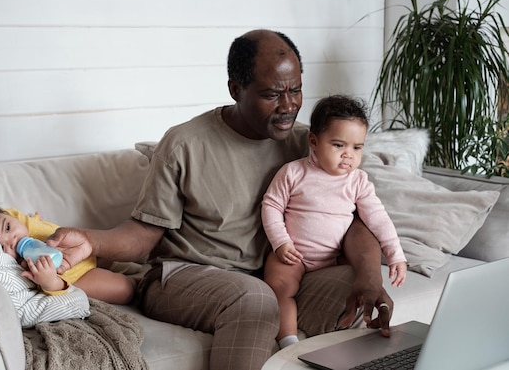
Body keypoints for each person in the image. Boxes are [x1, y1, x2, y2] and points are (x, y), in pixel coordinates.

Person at [46, 29, 395, 370]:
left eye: (296, 90)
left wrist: (369, 276)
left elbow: (355, 219)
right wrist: (91, 241)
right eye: (273, 94)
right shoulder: (185, 143)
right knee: (253, 298)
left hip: (275, 277)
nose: (289, 106)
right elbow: (142, 235)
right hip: (184, 276)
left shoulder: (312, 144)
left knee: (358, 291)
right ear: (236, 89)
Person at [262, 95, 407, 349]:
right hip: (292, 254)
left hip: (333, 258)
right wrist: (281, 243)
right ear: (314, 142)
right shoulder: (294, 172)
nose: (348, 156)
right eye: (338, 145)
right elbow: (271, 206)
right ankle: (288, 340)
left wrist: (395, 254)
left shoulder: (358, 181)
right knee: (280, 287)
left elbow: (378, 218)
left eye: (356, 148)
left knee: (359, 280)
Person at [0, 200, 135, 304]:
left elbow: (21, 220)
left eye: (8, 228)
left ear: (7, 215)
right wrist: (50, 280)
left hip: (83, 249)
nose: (12, 240)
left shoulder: (14, 217)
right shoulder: (19, 266)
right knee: (124, 289)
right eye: (2, 248)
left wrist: (34, 219)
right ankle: (140, 283)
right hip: (77, 276)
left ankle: (135, 265)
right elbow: (48, 289)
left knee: (120, 251)